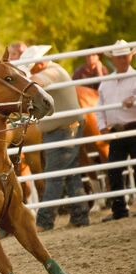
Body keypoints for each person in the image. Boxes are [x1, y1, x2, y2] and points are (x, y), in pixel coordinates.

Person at [19, 45, 90, 231]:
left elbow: (36, 82)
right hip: (63, 129)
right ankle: (80, 215)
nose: (31, 71)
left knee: (53, 175)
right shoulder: (54, 70)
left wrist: (21, 80)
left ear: (40, 63)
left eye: (32, 67)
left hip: (64, 130)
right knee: (69, 173)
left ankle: (45, 221)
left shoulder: (52, 72)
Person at [96, 40, 136, 222]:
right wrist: (102, 126)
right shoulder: (106, 83)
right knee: (114, 170)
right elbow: (100, 107)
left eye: (125, 56)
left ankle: (121, 209)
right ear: (114, 59)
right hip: (116, 131)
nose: (122, 60)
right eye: (119, 57)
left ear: (130, 57)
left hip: (133, 128)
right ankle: (119, 210)